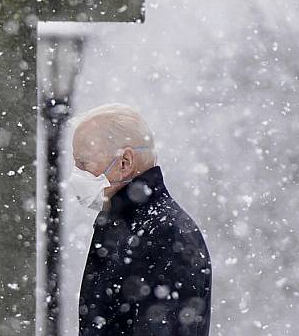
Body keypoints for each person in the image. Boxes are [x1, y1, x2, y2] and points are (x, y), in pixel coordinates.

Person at [69, 103, 212, 336]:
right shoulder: (130, 227)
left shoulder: (165, 235)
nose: (76, 176)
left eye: (83, 164)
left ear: (124, 162)